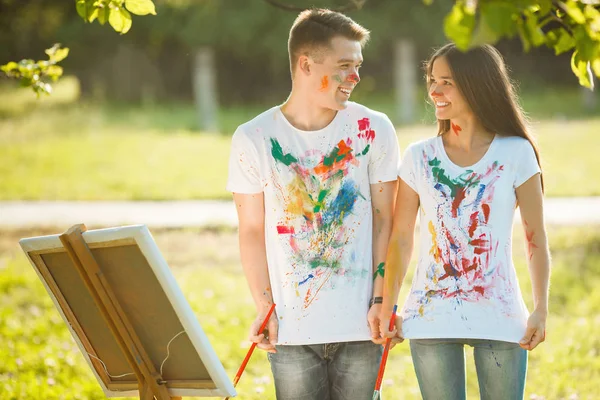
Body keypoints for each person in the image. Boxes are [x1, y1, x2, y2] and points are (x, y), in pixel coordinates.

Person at [226, 8, 400, 400]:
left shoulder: (372, 129)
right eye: (344, 66)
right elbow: (251, 231)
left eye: (357, 65)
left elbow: (386, 221)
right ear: (306, 64)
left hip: (362, 328)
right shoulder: (253, 137)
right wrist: (264, 307)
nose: (355, 77)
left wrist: (381, 300)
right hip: (291, 332)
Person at [377, 43, 551, 400]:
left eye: (447, 82)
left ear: (477, 85)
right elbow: (401, 239)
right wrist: (388, 306)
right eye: (432, 80)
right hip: (430, 314)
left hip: (501, 316)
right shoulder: (419, 157)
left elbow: (535, 240)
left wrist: (541, 308)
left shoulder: (516, 152)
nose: (435, 91)